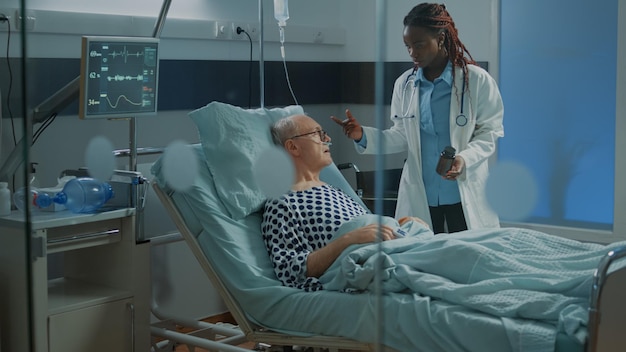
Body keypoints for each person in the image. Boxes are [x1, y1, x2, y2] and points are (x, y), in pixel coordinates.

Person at [331, 3, 504, 234]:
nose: (413, 52)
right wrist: (362, 135)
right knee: (423, 258)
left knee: (469, 255)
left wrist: (464, 158)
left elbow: (489, 133)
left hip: (463, 191)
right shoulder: (405, 85)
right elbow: (402, 135)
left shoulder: (476, 81)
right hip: (422, 193)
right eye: (408, 46)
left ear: (441, 38)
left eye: (419, 44)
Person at [261, 114, 428, 291]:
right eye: (317, 133)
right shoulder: (282, 203)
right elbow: (291, 271)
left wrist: (400, 225)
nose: (328, 138)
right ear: (293, 147)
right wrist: (348, 239)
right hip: (373, 262)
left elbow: (368, 229)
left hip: (394, 249)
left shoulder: (336, 192)